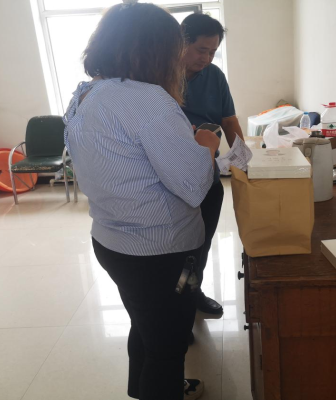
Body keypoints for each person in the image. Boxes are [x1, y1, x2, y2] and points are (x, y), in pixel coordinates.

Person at [63, 4, 219, 400]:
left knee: (146, 323)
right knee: (168, 346)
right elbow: (193, 185)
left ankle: (141, 388)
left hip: (113, 242)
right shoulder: (148, 100)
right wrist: (206, 144)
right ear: (155, 49)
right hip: (160, 251)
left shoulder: (87, 93)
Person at [180, 13, 244, 316]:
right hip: (171, 177)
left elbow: (228, 120)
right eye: (201, 50)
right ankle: (174, 304)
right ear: (181, 43)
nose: (206, 58)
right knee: (175, 246)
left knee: (201, 243)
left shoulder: (214, 76)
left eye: (213, 51)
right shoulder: (158, 77)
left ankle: (193, 293)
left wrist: (243, 160)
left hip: (207, 173)